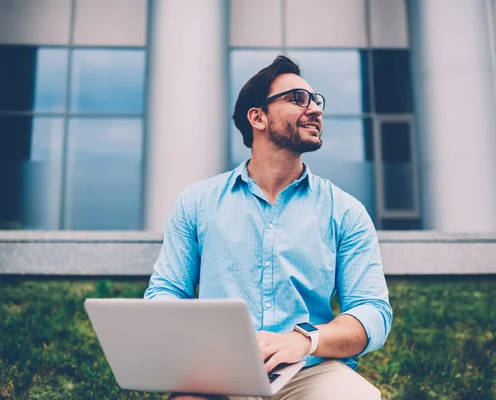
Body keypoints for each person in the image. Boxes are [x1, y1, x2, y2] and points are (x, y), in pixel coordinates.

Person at [144, 55, 392, 400]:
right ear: (257, 117)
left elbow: (371, 311)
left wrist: (304, 340)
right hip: (219, 372)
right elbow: (166, 290)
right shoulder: (196, 202)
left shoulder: (346, 212)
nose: (315, 109)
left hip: (310, 369)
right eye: (297, 99)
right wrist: (195, 340)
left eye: (316, 100)